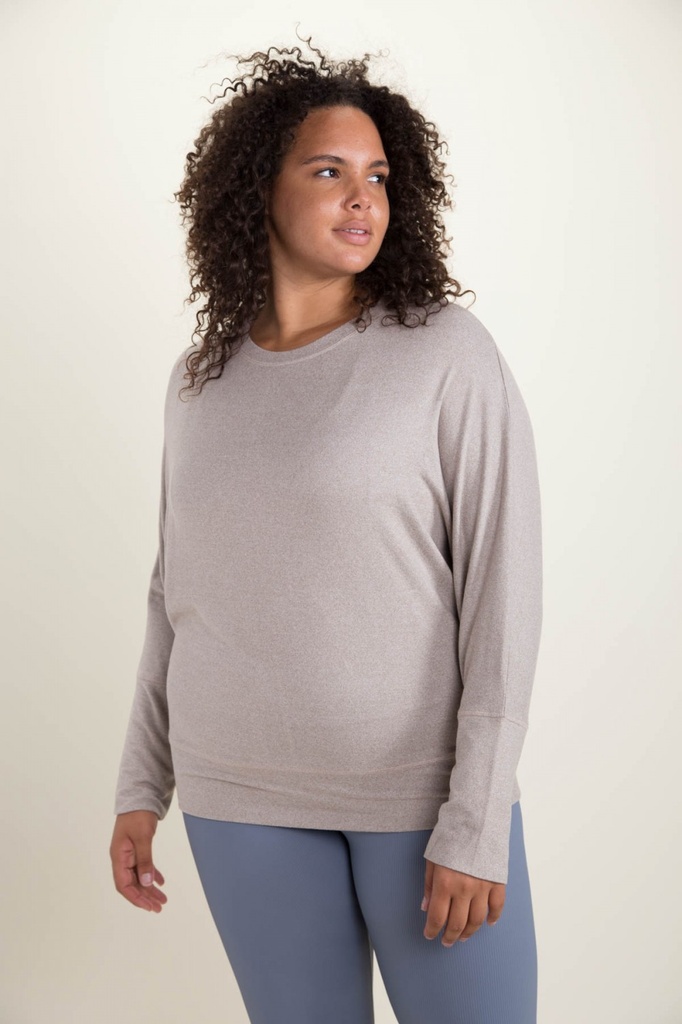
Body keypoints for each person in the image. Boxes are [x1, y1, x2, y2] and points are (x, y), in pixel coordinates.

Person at [109, 35, 543, 1024]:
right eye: (328, 172)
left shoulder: (444, 353)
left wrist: (476, 817)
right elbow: (175, 594)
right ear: (258, 188)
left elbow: (503, 588)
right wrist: (142, 785)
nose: (362, 199)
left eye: (378, 176)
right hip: (238, 797)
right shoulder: (199, 381)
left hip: (417, 799)